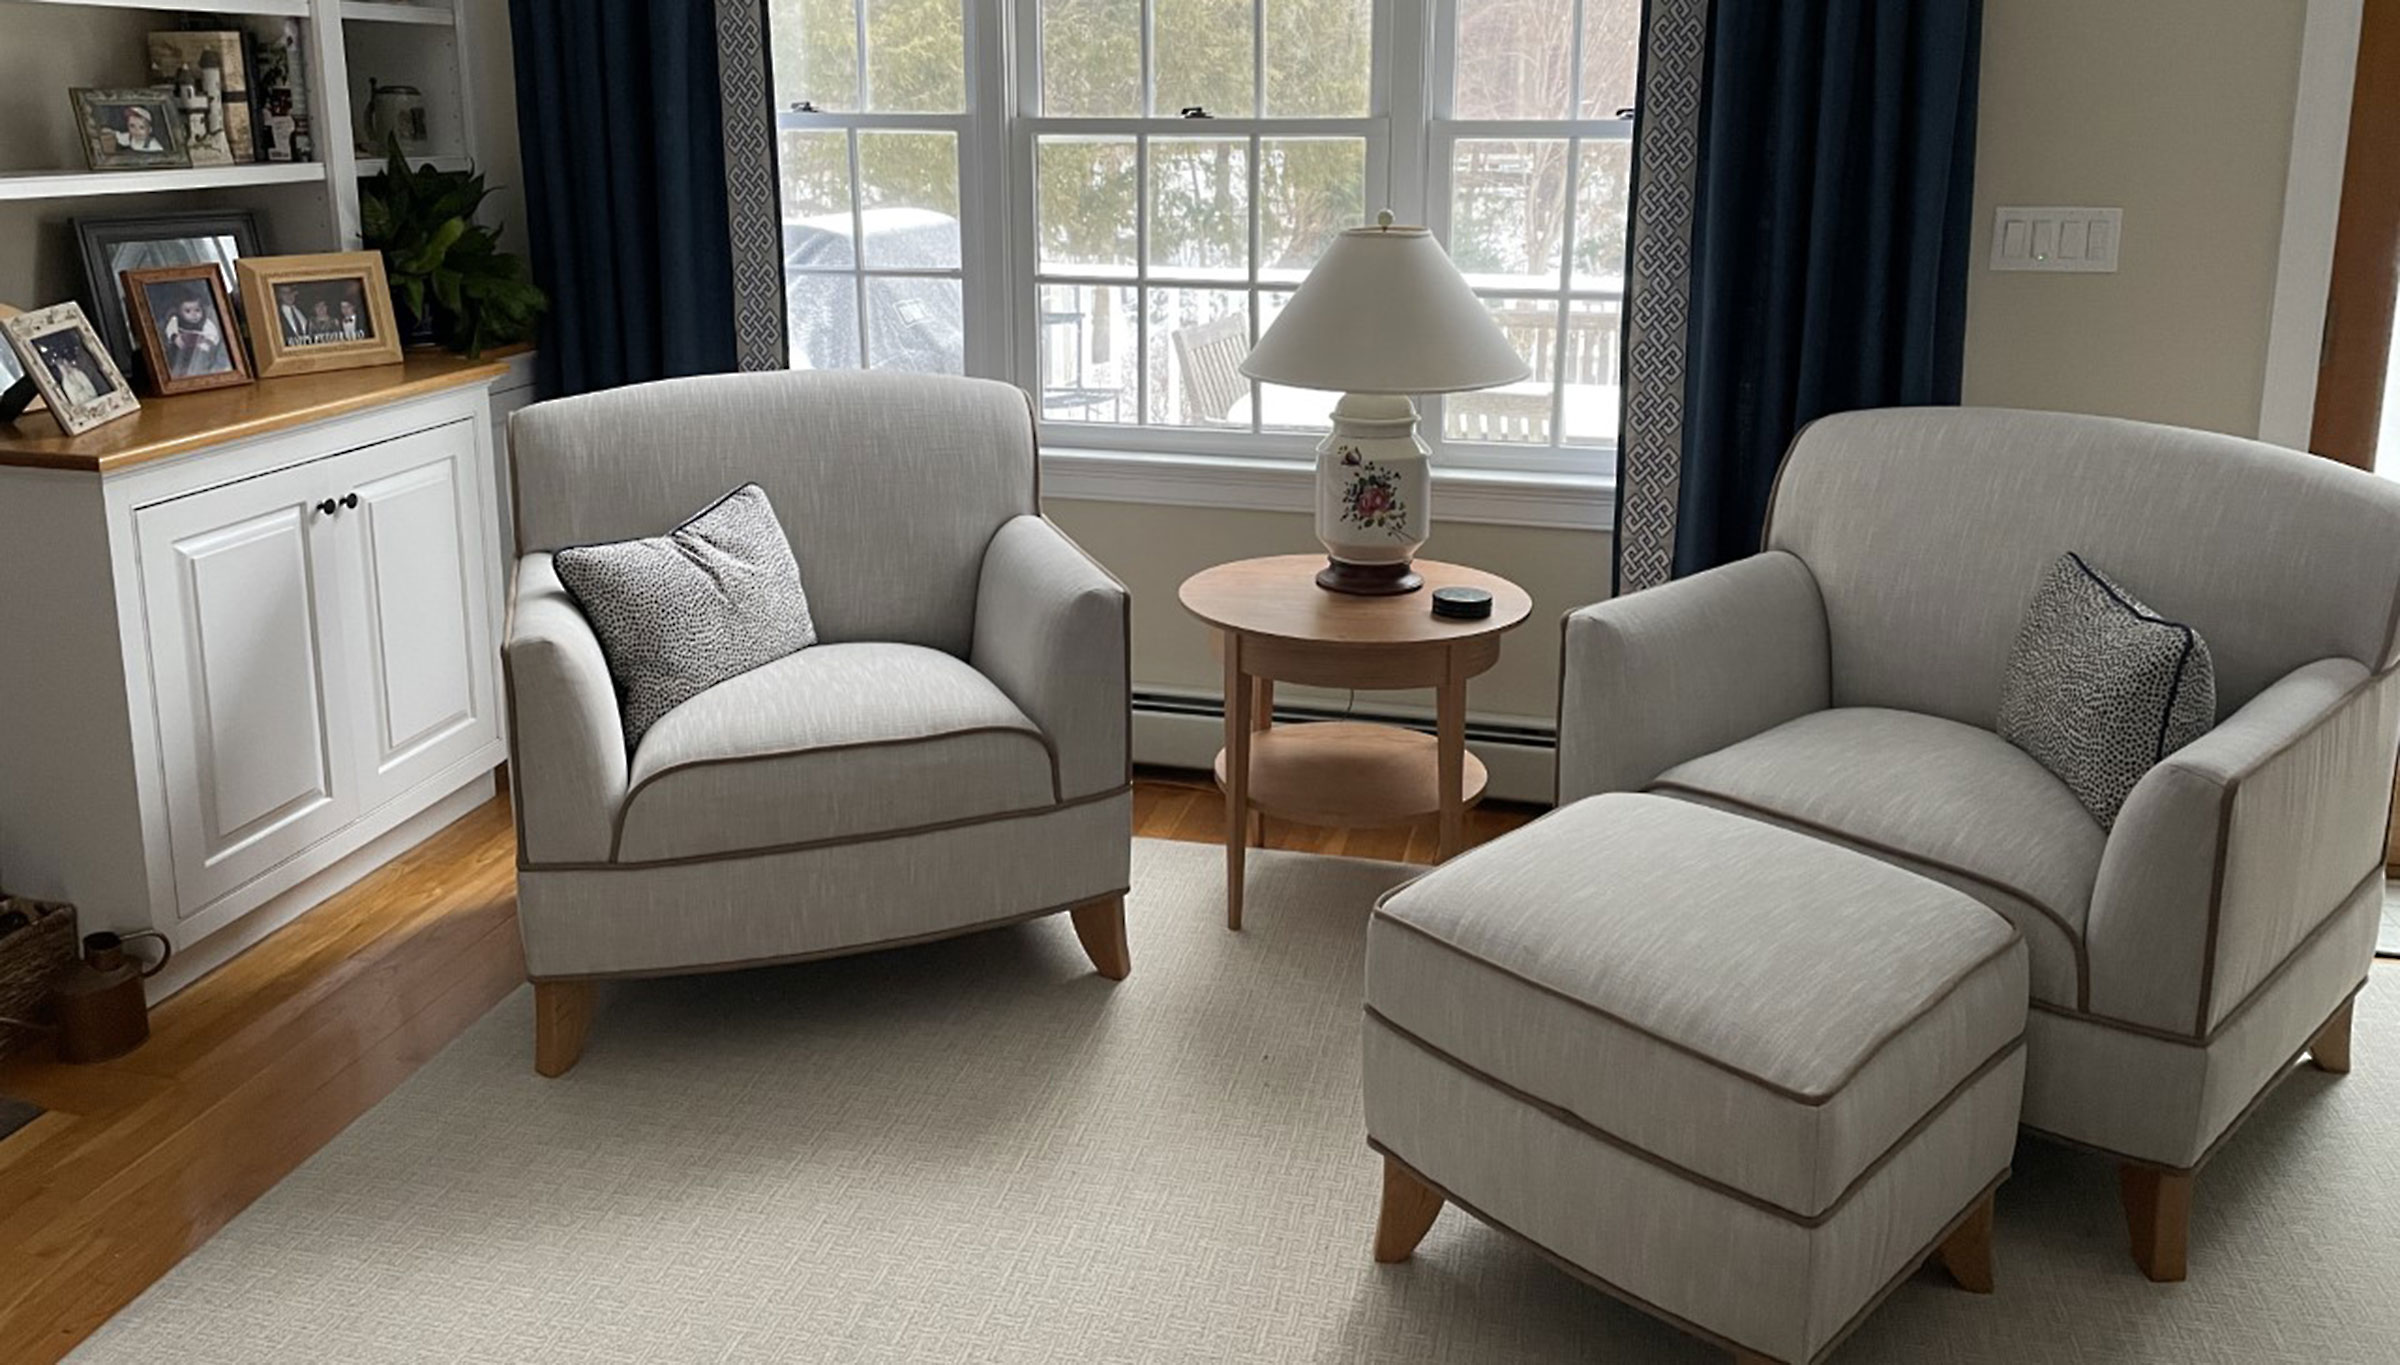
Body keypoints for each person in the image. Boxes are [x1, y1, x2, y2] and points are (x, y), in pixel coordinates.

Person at [158, 293, 229, 378]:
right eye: (188, 311)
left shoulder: (205, 322)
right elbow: (170, 330)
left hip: (200, 351)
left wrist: (206, 343)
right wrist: (175, 338)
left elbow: (213, 336)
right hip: (180, 350)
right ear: (179, 312)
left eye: (197, 310)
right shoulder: (176, 320)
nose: (194, 314)